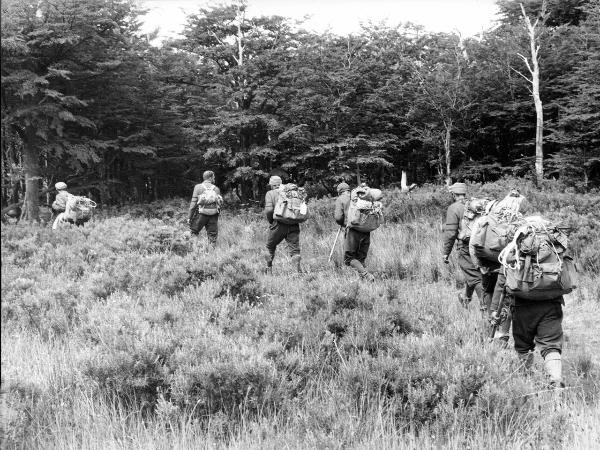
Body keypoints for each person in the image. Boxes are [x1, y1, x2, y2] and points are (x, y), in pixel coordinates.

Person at [491, 272, 565, 388]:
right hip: (551, 304)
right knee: (551, 345)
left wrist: (495, 309)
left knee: (523, 347)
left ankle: (526, 381)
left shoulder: (511, 253)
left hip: (521, 307)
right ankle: (556, 381)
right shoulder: (553, 252)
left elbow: (502, 282)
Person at [442, 182, 483, 308]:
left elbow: (451, 233)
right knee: (471, 272)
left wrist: (445, 252)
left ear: (453, 194)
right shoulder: (475, 205)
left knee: (475, 278)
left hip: (465, 246)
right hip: (481, 245)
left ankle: (485, 307)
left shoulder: (454, 208)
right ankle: (466, 298)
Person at [334, 182, 375, 282]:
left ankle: (367, 276)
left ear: (339, 192)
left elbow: (338, 217)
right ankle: (364, 282)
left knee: (349, 258)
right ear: (349, 190)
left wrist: (342, 223)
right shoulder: (360, 196)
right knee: (360, 258)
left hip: (353, 232)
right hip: (366, 230)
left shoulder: (341, 199)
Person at [263, 175, 302, 274]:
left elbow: (269, 210)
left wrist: (271, 221)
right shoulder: (291, 193)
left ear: (271, 185)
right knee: (295, 250)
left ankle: (268, 272)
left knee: (270, 247)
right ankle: (297, 273)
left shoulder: (270, 193)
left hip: (278, 224)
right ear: (281, 183)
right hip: (293, 224)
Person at [188, 170, 222, 246]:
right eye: (214, 177)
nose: (214, 179)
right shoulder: (216, 189)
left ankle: (194, 250)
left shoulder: (198, 187)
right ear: (210, 178)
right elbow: (219, 204)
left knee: (193, 232)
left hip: (201, 215)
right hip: (213, 215)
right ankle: (211, 254)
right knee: (212, 236)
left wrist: (189, 217)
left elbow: (193, 204)